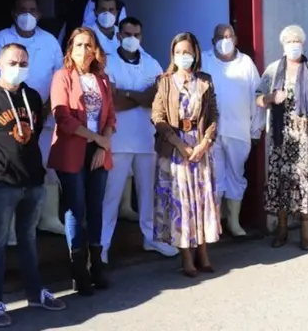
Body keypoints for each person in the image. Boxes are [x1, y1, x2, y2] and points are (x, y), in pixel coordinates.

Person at [0, 43, 66, 327]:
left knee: (29, 239)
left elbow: (34, 132)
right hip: (2, 184)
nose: (18, 68)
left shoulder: (31, 96)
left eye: (23, 63)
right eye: (12, 62)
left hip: (32, 181)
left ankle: (35, 292)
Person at [0, 0, 66, 242]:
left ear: (39, 14)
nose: (27, 15)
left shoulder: (49, 40)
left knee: (48, 167)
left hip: (45, 115)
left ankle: (49, 218)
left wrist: (48, 106)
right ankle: (8, 230)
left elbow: (60, 76)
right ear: (13, 13)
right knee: (13, 168)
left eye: (32, 10)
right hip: (11, 116)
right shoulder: (1, 39)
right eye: (22, 10)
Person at [100, 17, 177, 262]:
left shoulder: (152, 64)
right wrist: (141, 96)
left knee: (148, 195)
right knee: (110, 196)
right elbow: (112, 102)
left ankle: (152, 239)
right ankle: (101, 245)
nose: (131, 39)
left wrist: (127, 93)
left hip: (146, 139)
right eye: (127, 34)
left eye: (136, 34)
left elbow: (158, 99)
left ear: (141, 37)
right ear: (119, 35)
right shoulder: (107, 62)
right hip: (117, 140)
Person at [49, 27, 116, 295]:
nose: (84, 50)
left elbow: (111, 117)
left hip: (98, 151)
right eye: (79, 45)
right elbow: (63, 118)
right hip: (72, 150)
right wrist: (96, 138)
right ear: (70, 49)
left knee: (96, 207)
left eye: (89, 45)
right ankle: (78, 269)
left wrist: (102, 144)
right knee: (76, 208)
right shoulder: (62, 77)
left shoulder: (102, 79)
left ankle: (96, 264)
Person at [256, 25, 308, 250]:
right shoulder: (273, 70)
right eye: (289, 42)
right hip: (280, 137)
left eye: (296, 41)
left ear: (303, 44)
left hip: (306, 137)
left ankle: (306, 232)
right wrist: (271, 97)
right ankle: (282, 229)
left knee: (304, 182)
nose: (293, 45)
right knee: (281, 181)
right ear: (283, 45)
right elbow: (258, 98)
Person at [151, 32, 221, 277]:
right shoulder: (164, 82)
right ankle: (186, 257)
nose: (183, 56)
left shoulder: (205, 81)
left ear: (195, 53)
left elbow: (213, 115)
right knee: (181, 203)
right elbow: (157, 117)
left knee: (200, 201)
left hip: (200, 147)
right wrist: (180, 145)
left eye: (187, 52)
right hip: (175, 148)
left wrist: (204, 143)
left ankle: (203, 252)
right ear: (172, 55)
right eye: (178, 52)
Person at [202, 23, 265, 237]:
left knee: (236, 176)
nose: (225, 40)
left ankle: (234, 222)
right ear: (213, 41)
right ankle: (215, 222)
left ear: (236, 40)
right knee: (215, 177)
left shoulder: (246, 63)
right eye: (220, 36)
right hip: (211, 132)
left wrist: (256, 130)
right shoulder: (204, 60)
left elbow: (257, 96)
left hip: (239, 129)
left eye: (229, 36)